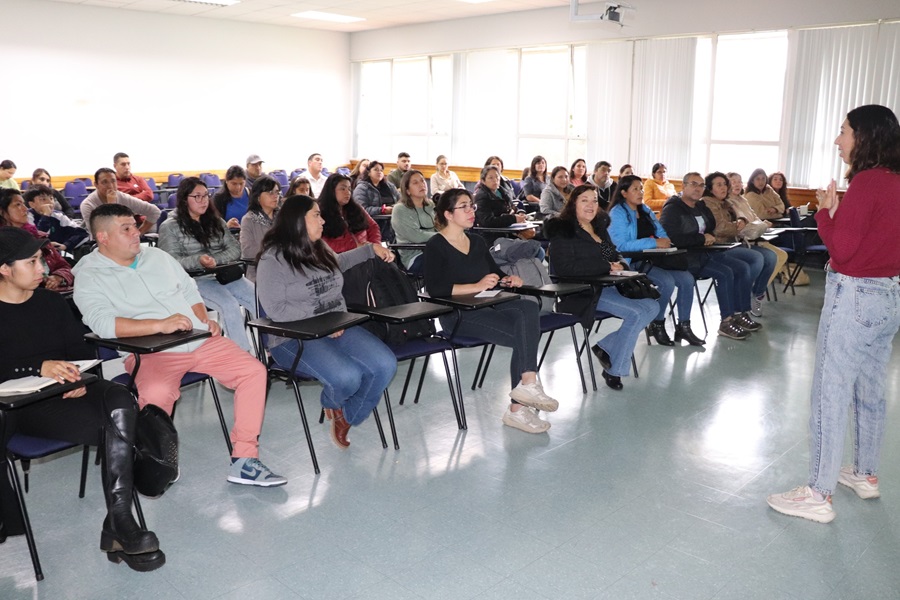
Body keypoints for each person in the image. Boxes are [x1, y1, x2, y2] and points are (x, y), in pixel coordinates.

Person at [74, 203, 286, 487]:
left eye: (135, 226)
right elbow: (103, 324)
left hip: (197, 339)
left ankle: (244, 460)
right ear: (103, 237)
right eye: (126, 229)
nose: (136, 233)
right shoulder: (89, 274)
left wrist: (202, 320)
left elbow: (189, 290)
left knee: (254, 371)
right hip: (151, 353)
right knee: (157, 392)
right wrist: (159, 325)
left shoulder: (157, 256)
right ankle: (157, 462)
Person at [0, 227, 165, 572]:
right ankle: (121, 525)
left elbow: (79, 352)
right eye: (31, 262)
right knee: (120, 427)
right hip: (25, 405)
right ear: (4, 268)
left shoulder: (49, 302)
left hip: (68, 390)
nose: (43, 268)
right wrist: (39, 367)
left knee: (121, 398)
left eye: (41, 259)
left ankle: (120, 520)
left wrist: (81, 377)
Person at [767, 105, 900, 523]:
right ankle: (865, 474)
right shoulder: (895, 181)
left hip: (855, 297)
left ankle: (819, 494)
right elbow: (871, 239)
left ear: (864, 136)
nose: (838, 139)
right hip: (888, 296)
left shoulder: (866, 182)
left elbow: (842, 250)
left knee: (830, 392)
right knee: (871, 390)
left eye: (843, 131)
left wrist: (825, 212)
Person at [255, 195, 398, 449]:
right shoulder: (272, 259)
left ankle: (344, 414)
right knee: (347, 378)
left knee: (385, 365)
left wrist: (370, 249)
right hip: (292, 337)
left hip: (335, 324)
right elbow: (276, 310)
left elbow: (339, 263)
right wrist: (322, 319)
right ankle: (335, 399)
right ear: (298, 220)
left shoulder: (318, 246)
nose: (323, 220)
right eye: (316, 215)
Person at [425, 188, 559, 433]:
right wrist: (475, 286)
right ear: (448, 214)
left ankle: (527, 385)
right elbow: (435, 289)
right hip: (458, 315)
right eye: (463, 206)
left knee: (527, 307)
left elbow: (493, 273)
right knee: (526, 336)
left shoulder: (475, 240)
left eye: (471, 206)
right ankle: (518, 408)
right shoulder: (436, 245)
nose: (470, 211)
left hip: (487, 302)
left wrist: (507, 279)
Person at [545, 185, 658, 390]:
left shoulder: (598, 228)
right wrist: (606, 266)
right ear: (573, 204)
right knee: (635, 313)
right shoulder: (564, 231)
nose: (591, 205)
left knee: (652, 306)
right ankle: (615, 370)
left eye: (595, 200)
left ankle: (605, 346)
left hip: (609, 285)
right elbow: (565, 269)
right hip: (582, 291)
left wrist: (620, 265)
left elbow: (613, 255)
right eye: (584, 200)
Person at [158, 177, 255, 353]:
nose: (203, 201)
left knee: (257, 298)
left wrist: (215, 260)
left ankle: (274, 349)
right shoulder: (170, 226)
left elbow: (235, 250)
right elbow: (170, 261)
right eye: (197, 196)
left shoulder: (215, 221)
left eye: (205, 195)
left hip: (224, 274)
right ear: (184, 199)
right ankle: (243, 357)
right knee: (229, 306)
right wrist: (199, 260)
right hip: (195, 281)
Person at [659, 173, 761, 340]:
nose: (698, 188)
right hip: (683, 259)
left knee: (742, 267)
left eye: (701, 185)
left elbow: (712, 226)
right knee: (726, 272)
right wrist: (701, 238)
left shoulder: (700, 206)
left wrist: (707, 235)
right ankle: (726, 322)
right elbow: (669, 238)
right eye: (693, 184)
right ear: (683, 186)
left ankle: (739, 313)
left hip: (703, 254)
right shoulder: (672, 209)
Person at [608, 175, 703, 346]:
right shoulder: (618, 213)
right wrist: (653, 242)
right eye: (635, 189)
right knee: (666, 282)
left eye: (641, 188)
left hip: (655, 259)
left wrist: (665, 242)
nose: (640, 192)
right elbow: (621, 246)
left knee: (687, 279)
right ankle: (657, 324)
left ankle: (684, 326)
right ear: (623, 192)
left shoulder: (645, 210)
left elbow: (662, 233)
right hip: (632, 261)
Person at [702, 171, 777, 317]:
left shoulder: (727, 202)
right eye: (719, 185)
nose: (724, 187)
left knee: (771, 256)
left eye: (725, 184)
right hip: (720, 246)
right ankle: (742, 298)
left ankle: (755, 294)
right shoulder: (708, 202)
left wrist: (740, 223)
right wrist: (738, 226)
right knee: (756, 258)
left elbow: (745, 220)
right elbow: (720, 228)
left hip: (734, 242)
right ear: (710, 188)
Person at [0, 189, 73, 291]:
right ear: (1, 211)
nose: (25, 209)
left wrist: (58, 277)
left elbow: (64, 266)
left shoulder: (38, 237)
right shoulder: (3, 244)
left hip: (53, 295)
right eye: (18, 205)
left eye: (24, 204)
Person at [727, 172, 789, 289]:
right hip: (742, 241)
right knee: (770, 257)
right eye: (733, 182)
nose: (737, 184)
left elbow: (756, 217)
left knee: (781, 255)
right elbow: (743, 224)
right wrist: (764, 223)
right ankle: (752, 289)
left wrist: (763, 223)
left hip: (756, 237)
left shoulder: (743, 199)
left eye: (739, 181)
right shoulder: (728, 202)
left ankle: (758, 291)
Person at [80, 168, 161, 238]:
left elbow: (154, 211)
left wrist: (138, 234)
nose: (110, 186)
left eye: (113, 181)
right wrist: (111, 206)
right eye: (105, 182)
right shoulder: (88, 205)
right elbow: (98, 234)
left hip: (125, 243)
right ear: (96, 185)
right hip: (101, 245)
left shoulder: (122, 197)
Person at [320, 173, 381, 253]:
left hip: (367, 252)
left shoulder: (356, 208)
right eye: (343, 189)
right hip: (341, 258)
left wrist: (375, 246)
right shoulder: (321, 213)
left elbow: (373, 227)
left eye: (349, 189)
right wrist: (354, 246)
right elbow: (322, 243)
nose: (348, 192)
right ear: (331, 190)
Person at [391, 169, 436, 274]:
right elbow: (416, 236)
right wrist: (444, 235)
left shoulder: (430, 205)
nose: (422, 185)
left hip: (435, 249)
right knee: (450, 261)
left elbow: (440, 226)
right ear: (407, 190)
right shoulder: (400, 209)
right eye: (415, 183)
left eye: (422, 181)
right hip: (415, 256)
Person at [23, 185, 89, 251]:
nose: (50, 202)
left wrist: (66, 245)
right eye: (43, 199)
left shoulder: (58, 215)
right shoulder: (26, 217)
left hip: (55, 256)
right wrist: (46, 216)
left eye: (51, 198)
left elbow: (82, 233)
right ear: (32, 204)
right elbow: (37, 238)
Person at [240, 176, 281, 282]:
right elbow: (248, 252)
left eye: (277, 192)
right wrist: (278, 251)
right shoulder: (248, 220)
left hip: (285, 270)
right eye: (270, 192)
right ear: (258, 196)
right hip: (259, 272)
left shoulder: (283, 218)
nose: (275, 196)